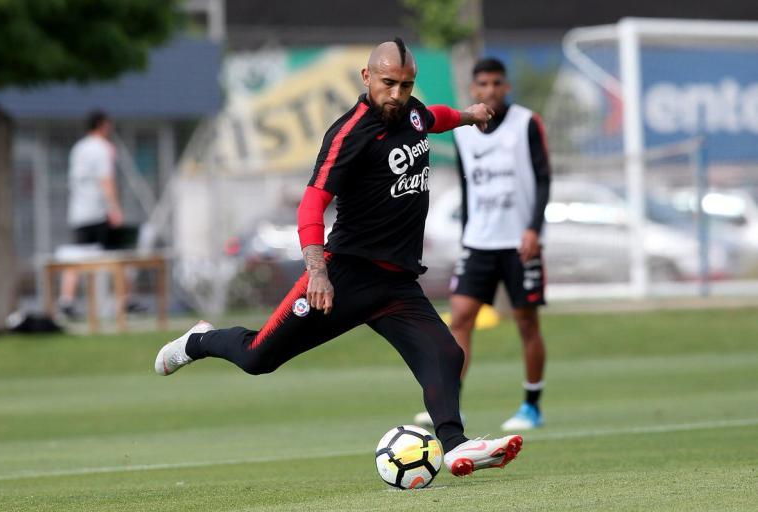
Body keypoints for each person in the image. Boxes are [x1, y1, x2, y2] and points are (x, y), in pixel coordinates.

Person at [154, 39, 523, 477]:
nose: (397, 94)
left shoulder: (410, 112)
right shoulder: (350, 133)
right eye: (388, 83)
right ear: (367, 77)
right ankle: (198, 341)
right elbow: (311, 205)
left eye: (406, 85)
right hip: (344, 275)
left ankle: (457, 445)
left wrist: (469, 115)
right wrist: (318, 273)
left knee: (445, 354)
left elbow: (433, 118)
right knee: (257, 358)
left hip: (396, 283)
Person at [414, 57, 551, 431]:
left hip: (520, 243)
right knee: (460, 318)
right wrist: (466, 238)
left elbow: (543, 178)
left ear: (506, 86)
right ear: (473, 89)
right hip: (478, 243)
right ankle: (451, 406)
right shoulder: (463, 132)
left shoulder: (526, 123)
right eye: (483, 84)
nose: (490, 90)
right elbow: (468, 189)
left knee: (526, 323)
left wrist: (534, 230)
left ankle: (532, 406)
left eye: (496, 83)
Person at [58, 111, 124, 319]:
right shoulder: (102, 148)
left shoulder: (79, 148)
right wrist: (114, 208)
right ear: (103, 125)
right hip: (98, 213)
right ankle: (122, 301)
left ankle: (67, 300)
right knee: (116, 257)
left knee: (77, 257)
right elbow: (106, 180)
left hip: (79, 212)